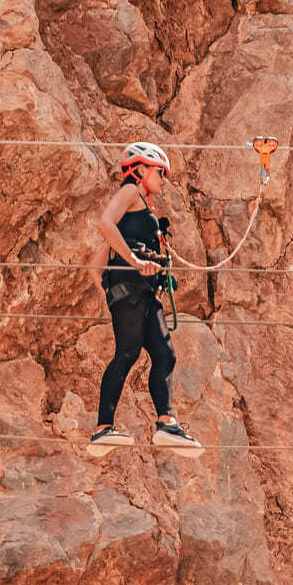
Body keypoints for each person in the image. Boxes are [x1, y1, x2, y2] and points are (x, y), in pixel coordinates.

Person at [86, 142, 203, 458]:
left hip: (140, 293)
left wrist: (111, 292)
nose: (163, 180)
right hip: (133, 292)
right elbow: (104, 224)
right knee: (127, 354)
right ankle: (103, 429)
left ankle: (166, 424)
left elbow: (96, 265)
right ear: (140, 170)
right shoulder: (129, 192)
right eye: (160, 173)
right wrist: (133, 266)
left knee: (164, 355)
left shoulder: (140, 209)